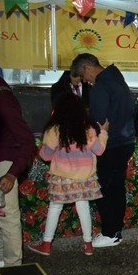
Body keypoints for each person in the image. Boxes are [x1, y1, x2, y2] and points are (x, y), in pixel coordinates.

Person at [27, 92, 107, 256]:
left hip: (62, 177)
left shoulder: (54, 130)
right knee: (83, 206)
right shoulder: (88, 128)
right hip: (84, 177)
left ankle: (46, 245)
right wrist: (104, 133)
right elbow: (99, 151)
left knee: (55, 207)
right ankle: (88, 245)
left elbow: (45, 156)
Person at [70, 53, 135, 248]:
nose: (85, 81)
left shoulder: (101, 87)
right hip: (126, 141)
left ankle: (109, 232)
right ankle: (115, 231)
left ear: (87, 68)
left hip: (110, 144)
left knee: (105, 189)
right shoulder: (118, 79)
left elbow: (98, 120)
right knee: (117, 188)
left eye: (83, 76)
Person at [0, 75, 35, 267]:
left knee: (7, 216)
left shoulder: (2, 98)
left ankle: (13, 267)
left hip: (5, 162)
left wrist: (12, 173)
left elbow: (27, 140)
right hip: (0, 159)